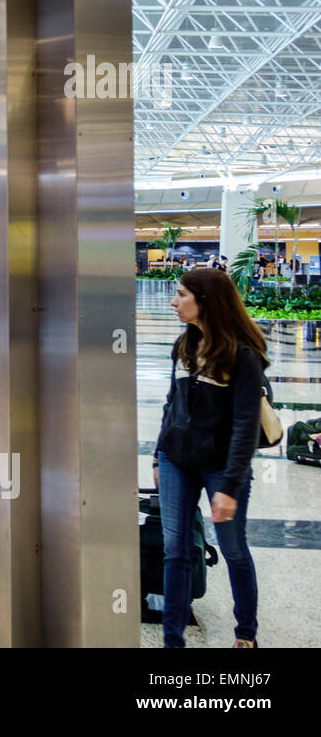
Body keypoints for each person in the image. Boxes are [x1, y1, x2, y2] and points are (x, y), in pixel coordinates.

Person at [156, 268, 264, 648]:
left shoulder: (243, 356)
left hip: (221, 467)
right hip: (176, 461)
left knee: (234, 549)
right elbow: (172, 405)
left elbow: (246, 426)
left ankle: (246, 633)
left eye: (182, 294)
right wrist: (158, 455)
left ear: (206, 301)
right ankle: (173, 640)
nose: (174, 301)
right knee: (175, 549)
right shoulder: (183, 346)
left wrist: (230, 487)